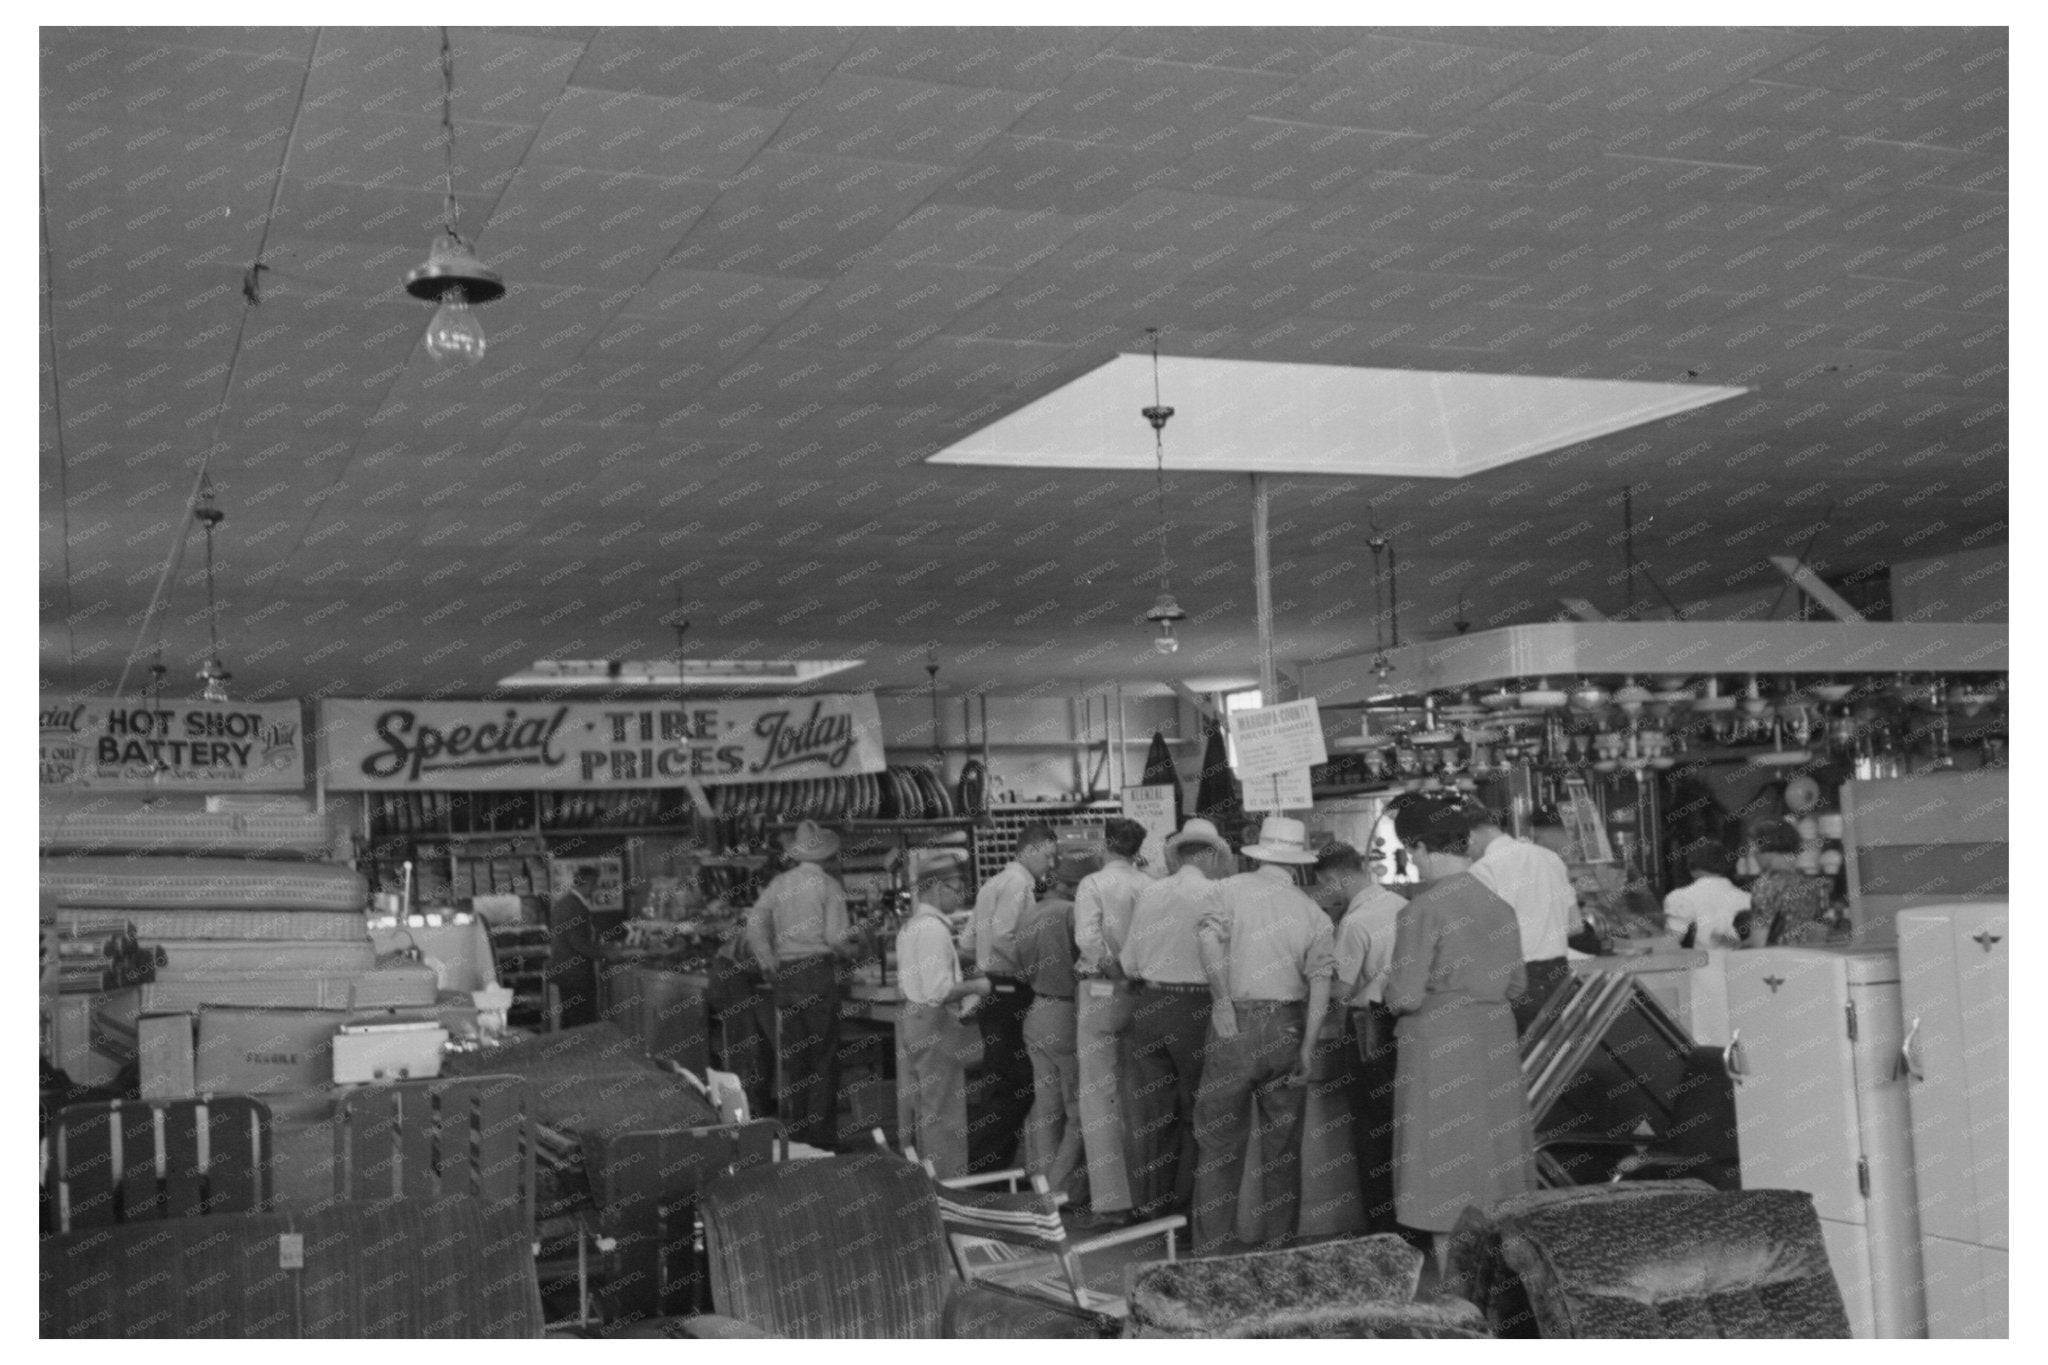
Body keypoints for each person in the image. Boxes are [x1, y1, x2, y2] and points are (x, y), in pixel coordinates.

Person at [1384, 794, 1537, 1274]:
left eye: (1412, 853)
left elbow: (1404, 995)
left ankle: (1455, 1280)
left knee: (1442, 1158)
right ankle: (1500, 1277)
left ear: (1420, 848)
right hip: (1494, 1038)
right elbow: (1517, 985)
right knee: (1495, 1152)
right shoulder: (1499, 906)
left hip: (1439, 1043)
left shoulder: (1421, 911)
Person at [1190, 814, 1335, 1254]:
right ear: (1297, 862)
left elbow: (1207, 941)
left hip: (1234, 1022)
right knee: (1283, 1148)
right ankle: (1280, 1251)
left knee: (1218, 1145)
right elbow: (1321, 984)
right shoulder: (1312, 911)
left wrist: (1220, 1000)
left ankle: (1212, 1255)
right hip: (1288, 1026)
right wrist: (1308, 1047)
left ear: (1258, 854)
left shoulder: (1227, 891)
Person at [1119, 817, 1233, 1221]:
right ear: (1211, 855)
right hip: (1194, 1009)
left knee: (1152, 1116)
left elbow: (1128, 963)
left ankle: (1152, 1209)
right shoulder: (1217, 893)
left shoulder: (1151, 892)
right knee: (1196, 1111)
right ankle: (1185, 1216)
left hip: (1148, 1005)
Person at [744, 820, 858, 1148]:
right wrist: (855, 949)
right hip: (817, 975)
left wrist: (767, 960)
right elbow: (835, 939)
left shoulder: (780, 884)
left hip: (787, 977)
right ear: (826, 855)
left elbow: (754, 923)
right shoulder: (829, 886)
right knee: (823, 1058)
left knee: (797, 1059)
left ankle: (797, 1136)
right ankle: (821, 1140)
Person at [1315, 841, 1406, 1233]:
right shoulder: (1402, 906)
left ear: (1337, 878)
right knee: (1401, 1123)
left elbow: (1341, 990)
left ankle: (1382, 1226)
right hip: (1403, 1023)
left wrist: (1312, 978)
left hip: (1368, 1028)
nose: (1324, 893)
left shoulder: (1355, 923)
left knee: (1371, 1128)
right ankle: (1410, 1220)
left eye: (1324, 885)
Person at [1071, 817, 1150, 1223]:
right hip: (1142, 993)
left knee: (1098, 1097)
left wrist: (1114, 970)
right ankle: (1143, 1193)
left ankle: (1112, 1203)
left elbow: (1087, 938)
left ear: (1105, 845)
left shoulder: (1093, 884)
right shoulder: (1150, 884)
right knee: (1137, 1095)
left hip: (1101, 990)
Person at [895, 850, 989, 1178]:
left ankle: (930, 1180)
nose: (960, 896)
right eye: (956, 888)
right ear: (937, 888)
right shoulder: (933, 930)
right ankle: (949, 1185)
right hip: (936, 1022)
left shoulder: (911, 926)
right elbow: (939, 990)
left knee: (929, 1108)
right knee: (945, 1110)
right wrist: (980, 985)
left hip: (916, 1019)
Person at [969, 822, 1058, 1170]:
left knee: (998, 1083)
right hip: (1010, 991)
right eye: (1048, 856)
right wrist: (1030, 971)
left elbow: (968, 941)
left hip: (992, 989)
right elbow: (1004, 937)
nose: (1051, 864)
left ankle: (987, 1170)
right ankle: (991, 1171)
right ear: (1030, 850)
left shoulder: (991, 883)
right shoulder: (1020, 885)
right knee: (1016, 1086)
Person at [1018, 851, 1099, 1204]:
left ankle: (1040, 1187)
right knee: (1078, 1112)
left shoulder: (1031, 912)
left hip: (1037, 1011)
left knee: (1046, 1109)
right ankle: (1059, 1189)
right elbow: (1088, 963)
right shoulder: (1070, 914)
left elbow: (1019, 969)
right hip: (1066, 1014)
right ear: (1077, 885)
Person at [1467, 808, 1578, 1034]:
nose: (1467, 853)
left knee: (1516, 1050)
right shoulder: (1550, 858)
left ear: (1472, 835)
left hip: (1515, 980)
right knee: (1553, 1049)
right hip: (1559, 975)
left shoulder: (1483, 869)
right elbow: (1575, 925)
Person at [546, 864, 621, 1030]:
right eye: (595, 884)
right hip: (576, 975)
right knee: (581, 1020)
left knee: (570, 1020)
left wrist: (601, 947)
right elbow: (579, 943)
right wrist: (606, 953)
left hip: (566, 973)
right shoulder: (575, 907)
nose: (596, 889)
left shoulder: (564, 903)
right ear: (588, 882)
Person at [1745, 820, 1839, 946]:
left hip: (1777, 956)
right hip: (1808, 954)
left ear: (1765, 849)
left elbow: (1758, 941)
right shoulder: (1811, 884)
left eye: (1754, 847)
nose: (1752, 854)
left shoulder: (1766, 885)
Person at [1663, 838, 1751, 948]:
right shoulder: (1748, 898)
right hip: (1741, 958)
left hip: (1699, 959)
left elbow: (1670, 944)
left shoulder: (1679, 897)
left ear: (1691, 867)